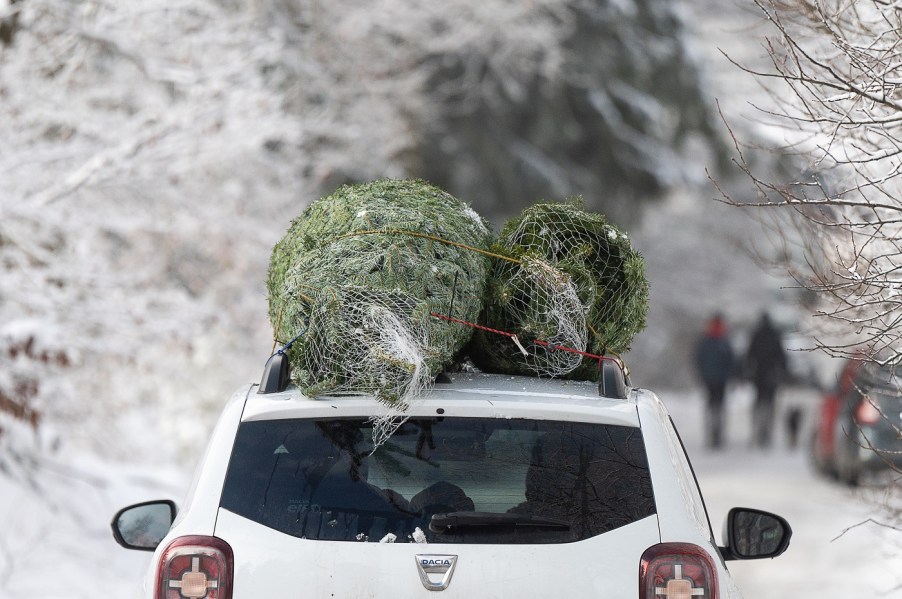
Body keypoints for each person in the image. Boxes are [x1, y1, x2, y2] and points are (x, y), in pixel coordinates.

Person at [744, 312, 788, 448]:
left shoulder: (756, 335)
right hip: (771, 377)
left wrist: (747, 372)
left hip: (759, 376)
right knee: (770, 405)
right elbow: (782, 357)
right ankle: (767, 434)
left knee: (759, 405)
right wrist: (784, 373)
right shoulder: (774, 336)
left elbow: (749, 355)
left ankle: (757, 432)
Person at [695, 313, 735, 449]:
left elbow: (698, 360)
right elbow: (731, 361)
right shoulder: (724, 341)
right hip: (720, 380)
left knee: (711, 407)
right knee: (719, 407)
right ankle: (718, 434)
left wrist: (701, 375)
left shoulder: (705, 341)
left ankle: (712, 435)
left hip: (709, 379)